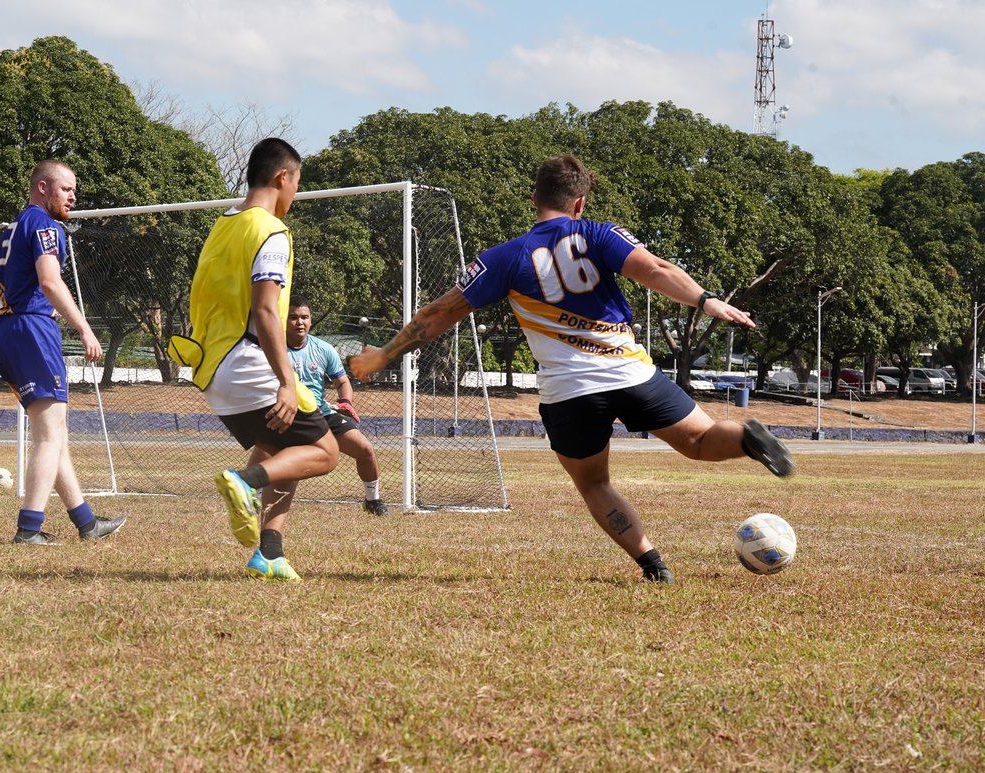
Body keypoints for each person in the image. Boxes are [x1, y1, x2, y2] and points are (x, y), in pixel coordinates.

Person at [349, 154, 794, 584]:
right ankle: (745, 435)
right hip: (630, 374)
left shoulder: (504, 257)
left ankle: (654, 565)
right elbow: (656, 269)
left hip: (568, 393)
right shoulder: (599, 235)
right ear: (579, 203)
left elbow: (437, 314)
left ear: (534, 198)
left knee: (594, 483)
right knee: (698, 442)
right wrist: (705, 300)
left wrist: (384, 354)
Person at [171, 138, 338, 582]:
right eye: (297, 183)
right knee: (325, 453)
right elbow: (266, 310)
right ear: (283, 177)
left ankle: (269, 553)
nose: (295, 194)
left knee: (281, 449)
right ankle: (245, 482)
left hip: (212, 367)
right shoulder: (271, 231)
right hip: (248, 361)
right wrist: (287, 380)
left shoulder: (224, 224)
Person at [0, 159, 125, 545]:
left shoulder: (12, 227)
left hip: (2, 331)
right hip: (30, 328)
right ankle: (29, 529)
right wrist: (83, 327)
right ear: (43, 188)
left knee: (54, 432)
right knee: (49, 435)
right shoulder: (46, 226)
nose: (73, 196)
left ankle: (86, 523)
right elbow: (49, 281)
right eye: (67, 189)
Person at [285, 295, 391, 516]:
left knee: (365, 450)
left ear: (311, 320)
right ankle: (258, 500)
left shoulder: (324, 349)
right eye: (293, 317)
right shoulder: (273, 350)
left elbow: (343, 382)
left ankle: (373, 501)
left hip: (322, 414)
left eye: (304, 317)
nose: (299, 322)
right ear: (283, 320)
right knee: (286, 470)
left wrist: (345, 402)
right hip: (288, 417)